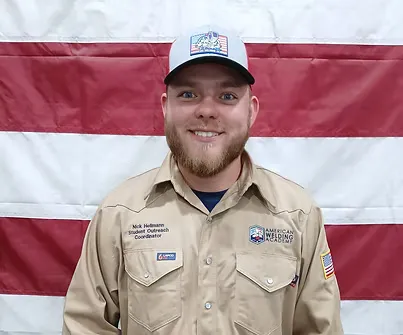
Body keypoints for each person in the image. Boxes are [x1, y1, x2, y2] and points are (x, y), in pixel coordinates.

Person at [62, 24, 344, 335]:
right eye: (188, 94)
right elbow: (84, 327)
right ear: (165, 107)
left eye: (226, 95)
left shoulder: (298, 216)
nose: (207, 110)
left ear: (251, 111)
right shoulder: (119, 214)